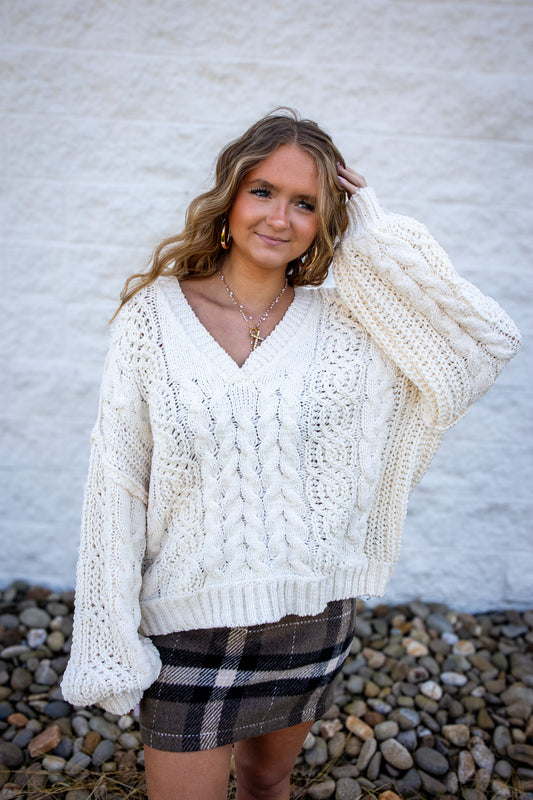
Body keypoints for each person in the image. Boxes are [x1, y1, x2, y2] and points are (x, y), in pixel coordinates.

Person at [61, 109, 520, 800]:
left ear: (325, 218)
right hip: (188, 624)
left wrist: (371, 229)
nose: (280, 217)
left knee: (267, 787)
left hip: (310, 619)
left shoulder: (347, 325)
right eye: (264, 192)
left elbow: (483, 344)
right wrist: (109, 633)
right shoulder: (152, 319)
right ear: (229, 197)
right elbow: (118, 482)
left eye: (306, 202)